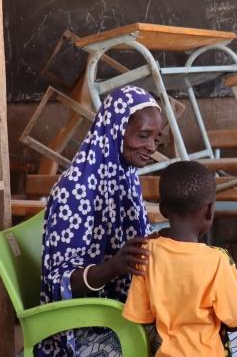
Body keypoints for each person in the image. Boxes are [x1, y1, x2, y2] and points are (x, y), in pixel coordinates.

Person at [39, 85, 164, 356]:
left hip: (121, 311)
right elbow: (59, 282)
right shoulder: (73, 191)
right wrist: (114, 266)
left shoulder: (126, 178)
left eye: (157, 139)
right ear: (116, 130)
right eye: (143, 136)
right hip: (81, 326)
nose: (151, 148)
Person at [123, 161, 237, 357]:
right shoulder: (217, 260)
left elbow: (141, 317)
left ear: (162, 209)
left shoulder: (145, 252)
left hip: (163, 353)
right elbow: (236, 322)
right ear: (209, 210)